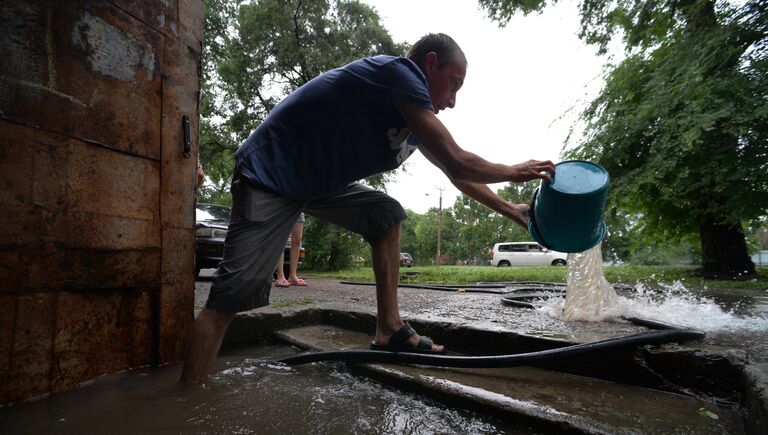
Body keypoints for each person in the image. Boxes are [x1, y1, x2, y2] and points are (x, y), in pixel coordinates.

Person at [180, 33, 554, 384]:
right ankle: (184, 402)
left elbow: (455, 174)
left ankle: (388, 328)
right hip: (270, 174)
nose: (453, 101)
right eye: (453, 83)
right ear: (430, 63)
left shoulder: (413, 114)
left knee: (385, 213)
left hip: (315, 185)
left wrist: (512, 210)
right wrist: (516, 170)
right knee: (228, 299)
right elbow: (458, 162)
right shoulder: (401, 74)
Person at [274, 213, 307, 287]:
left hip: (298, 206)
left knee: (297, 241)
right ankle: (280, 277)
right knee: (281, 240)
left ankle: (293, 276)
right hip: (281, 207)